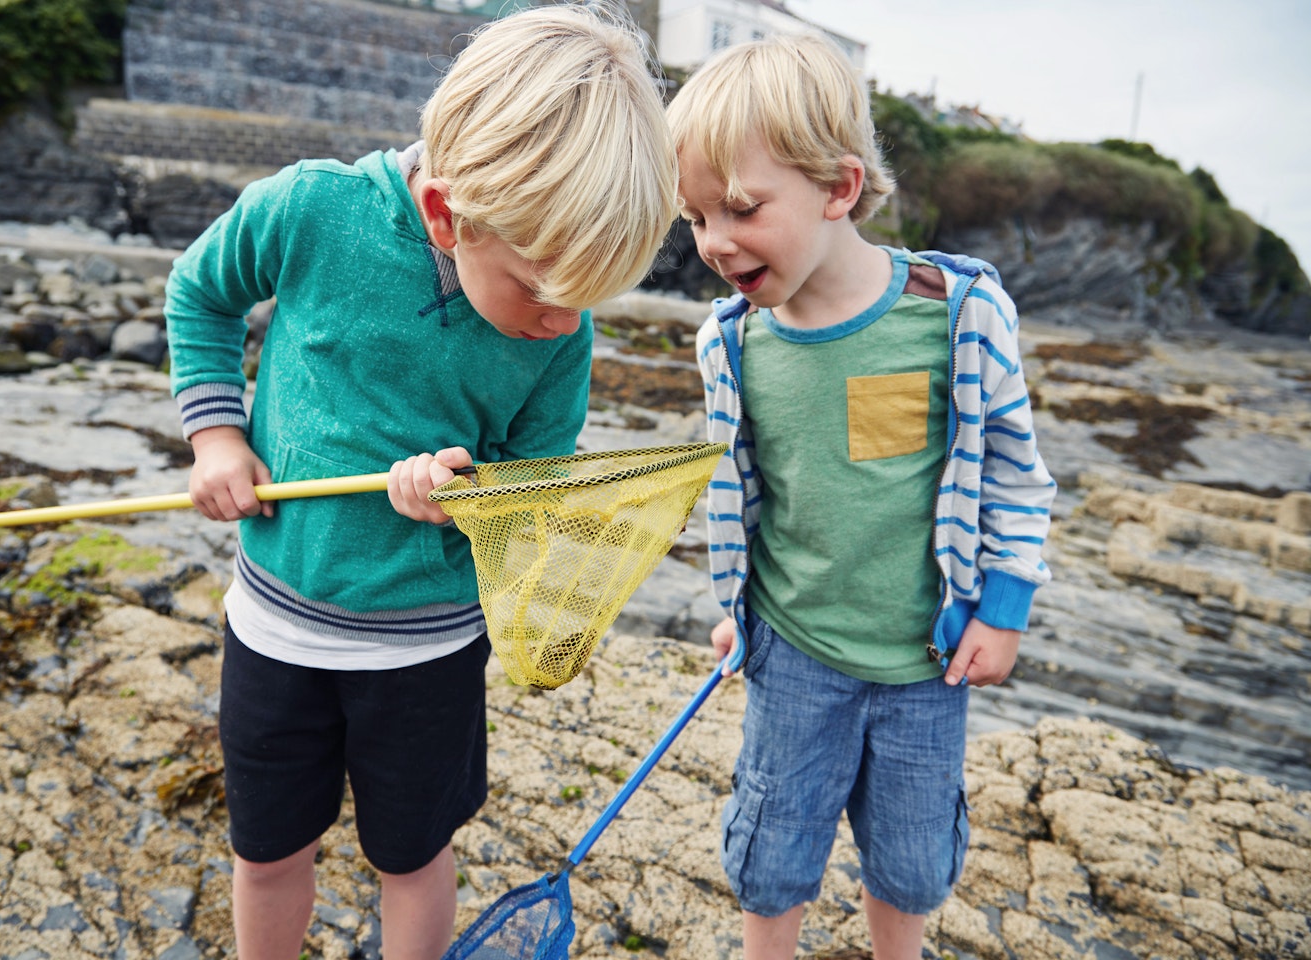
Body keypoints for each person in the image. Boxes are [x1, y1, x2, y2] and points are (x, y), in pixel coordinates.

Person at [162, 5, 677, 958]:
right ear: (446, 214)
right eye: (542, 292)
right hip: (275, 628)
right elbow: (200, 292)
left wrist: (477, 494)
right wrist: (217, 438)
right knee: (268, 849)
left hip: (428, 655)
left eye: (588, 302)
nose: (563, 327)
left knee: (414, 854)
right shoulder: (311, 210)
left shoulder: (559, 331)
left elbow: (537, 484)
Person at [666, 34, 1056, 960]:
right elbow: (749, 493)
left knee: (914, 861)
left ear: (840, 190)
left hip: (928, 658)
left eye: (742, 209)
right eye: (694, 219)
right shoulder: (729, 344)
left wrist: (1004, 609)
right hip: (794, 655)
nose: (715, 243)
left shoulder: (957, 315)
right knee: (771, 851)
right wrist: (735, 611)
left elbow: (1015, 470)